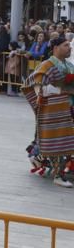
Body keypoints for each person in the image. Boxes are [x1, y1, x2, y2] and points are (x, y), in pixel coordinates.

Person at [22, 37, 74, 187]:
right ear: (55, 48)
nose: (69, 48)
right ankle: (58, 175)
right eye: (66, 45)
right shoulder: (47, 65)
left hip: (67, 107)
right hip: (53, 109)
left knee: (65, 141)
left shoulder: (68, 65)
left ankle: (39, 158)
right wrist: (42, 94)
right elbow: (36, 83)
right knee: (58, 141)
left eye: (69, 46)